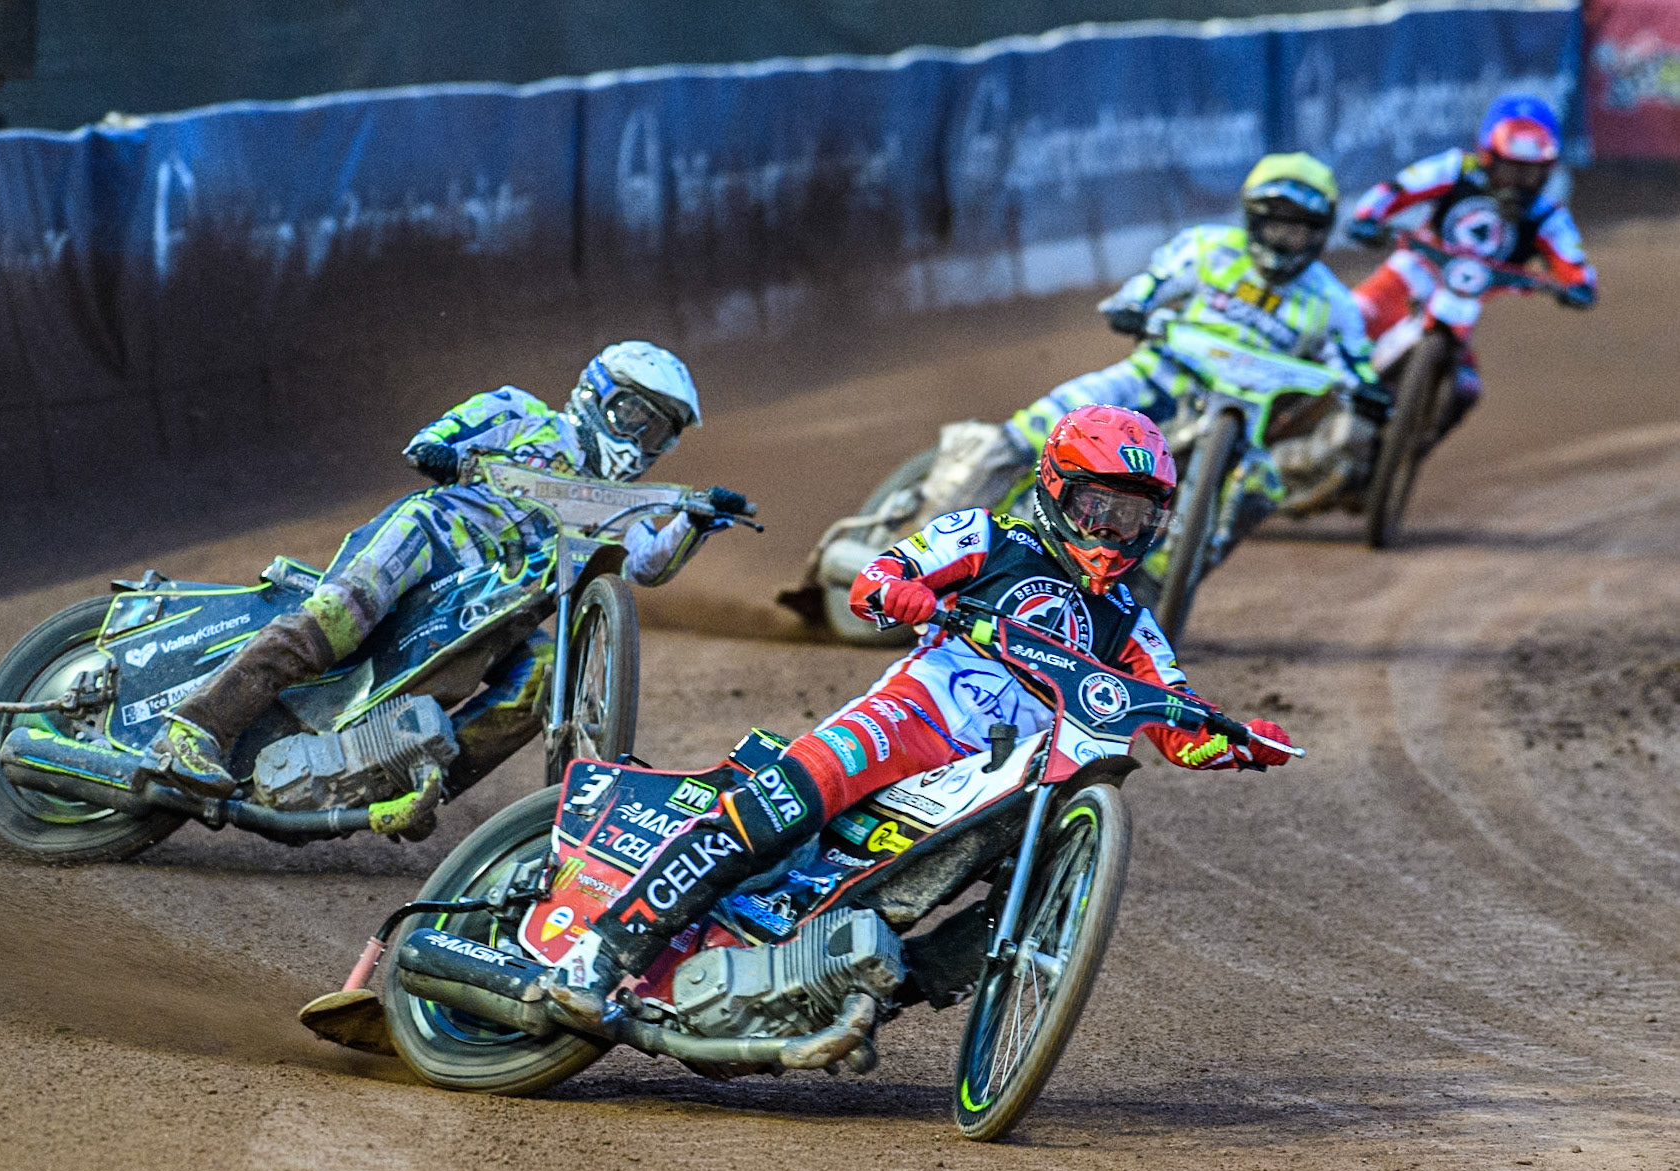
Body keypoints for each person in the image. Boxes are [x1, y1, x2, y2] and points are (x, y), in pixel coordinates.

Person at [557, 406, 1292, 996]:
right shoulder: (988, 535)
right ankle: (604, 946)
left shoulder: (1132, 621)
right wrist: (907, 596)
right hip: (916, 713)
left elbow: (1175, 720)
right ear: (1056, 489)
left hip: (998, 775)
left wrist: (1238, 741)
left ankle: (876, 984)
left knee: (1033, 889)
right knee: (783, 802)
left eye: (1131, 517)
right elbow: (876, 579)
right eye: (1097, 507)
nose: (1111, 531)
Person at [145, 340, 744, 831]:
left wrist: (694, 522)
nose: (641, 442)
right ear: (597, 396)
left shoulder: (620, 507)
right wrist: (440, 453)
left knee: (540, 676)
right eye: (634, 419)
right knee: (338, 617)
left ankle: (415, 784)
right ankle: (194, 729)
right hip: (427, 540)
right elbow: (430, 442)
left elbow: (645, 567)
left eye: (658, 434)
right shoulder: (518, 412)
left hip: (490, 605)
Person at [914, 153, 1386, 576]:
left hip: (1245, 424)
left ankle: (1157, 589)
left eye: (1301, 228)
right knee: (1033, 429)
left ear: (1321, 233)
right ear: (1253, 219)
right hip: (1154, 380)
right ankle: (923, 552)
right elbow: (1151, 283)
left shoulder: (1331, 299)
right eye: (1278, 224)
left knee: (1260, 489)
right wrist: (1131, 306)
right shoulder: (1207, 248)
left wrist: (1368, 392)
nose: (1287, 239)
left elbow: (1354, 362)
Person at [1344, 92, 1598, 431]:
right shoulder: (1456, 169)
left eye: (1530, 175)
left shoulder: (1547, 215)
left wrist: (1578, 287)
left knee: (1465, 390)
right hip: (1410, 274)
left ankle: (1402, 454)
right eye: (1510, 170)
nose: (1518, 185)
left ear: (1547, 172)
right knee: (1343, 323)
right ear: (1488, 158)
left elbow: (1574, 264)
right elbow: (1397, 189)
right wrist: (1368, 217)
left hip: (1461, 305)